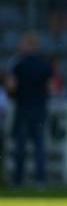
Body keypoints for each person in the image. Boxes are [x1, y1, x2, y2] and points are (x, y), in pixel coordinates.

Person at [7, 32, 53, 187]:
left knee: (21, 145)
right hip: (39, 109)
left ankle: (18, 179)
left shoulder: (18, 64)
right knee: (39, 146)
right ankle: (40, 179)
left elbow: (11, 86)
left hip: (23, 108)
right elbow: (51, 88)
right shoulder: (45, 64)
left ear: (28, 45)